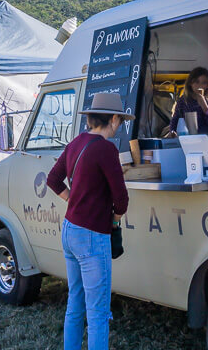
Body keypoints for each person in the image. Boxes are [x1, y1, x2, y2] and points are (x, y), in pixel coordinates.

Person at [47, 92, 130, 350]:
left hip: (70, 230)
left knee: (76, 303)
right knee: (97, 314)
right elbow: (122, 199)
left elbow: (53, 179)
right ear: (114, 119)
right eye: (120, 121)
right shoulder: (107, 149)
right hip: (93, 236)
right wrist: (115, 221)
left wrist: (73, 199)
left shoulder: (76, 143)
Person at [166, 66, 208, 137]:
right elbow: (175, 119)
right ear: (191, 83)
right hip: (187, 138)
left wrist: (205, 107)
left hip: (205, 139)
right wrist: (172, 131)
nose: (200, 85)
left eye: (204, 83)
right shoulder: (183, 100)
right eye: (196, 82)